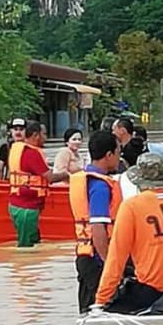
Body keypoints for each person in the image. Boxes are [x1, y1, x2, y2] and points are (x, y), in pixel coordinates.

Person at [95, 153, 163, 313]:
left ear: (139, 181)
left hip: (152, 293)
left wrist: (101, 300)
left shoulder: (131, 206)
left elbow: (116, 259)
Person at [69, 130, 122, 315]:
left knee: (87, 312)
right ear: (108, 155)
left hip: (85, 254)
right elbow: (98, 228)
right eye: (118, 152)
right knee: (98, 311)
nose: (119, 157)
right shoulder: (99, 187)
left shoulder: (86, 178)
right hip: (96, 258)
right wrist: (110, 264)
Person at [6, 121, 69, 247]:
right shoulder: (32, 153)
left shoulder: (19, 149)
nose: (46, 138)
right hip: (26, 209)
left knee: (34, 244)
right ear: (36, 135)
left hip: (19, 204)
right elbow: (50, 177)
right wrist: (68, 175)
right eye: (44, 134)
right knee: (26, 248)